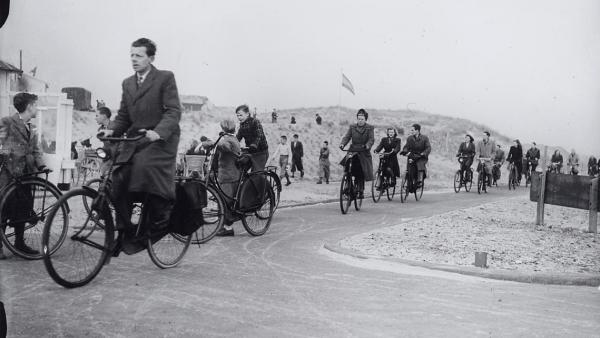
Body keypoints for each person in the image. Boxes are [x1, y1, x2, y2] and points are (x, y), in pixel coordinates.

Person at [99, 38, 181, 251]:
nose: (134, 59)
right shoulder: (127, 83)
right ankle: (124, 230)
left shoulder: (165, 78)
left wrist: (159, 132)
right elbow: (124, 116)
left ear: (151, 58)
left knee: (143, 166)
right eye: (131, 55)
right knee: (117, 176)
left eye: (139, 55)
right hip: (136, 139)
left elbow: (173, 111)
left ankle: (161, 214)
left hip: (161, 139)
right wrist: (112, 129)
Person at [0, 92, 46, 255]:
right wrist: (9, 154)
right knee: (4, 209)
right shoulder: (7, 122)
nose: (37, 108)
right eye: (35, 105)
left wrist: (41, 166)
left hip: (26, 176)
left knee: (23, 209)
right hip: (9, 174)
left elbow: (35, 149)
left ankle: (19, 242)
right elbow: (1, 143)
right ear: (29, 106)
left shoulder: (31, 127)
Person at [339, 109, 375, 199]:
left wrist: (367, 146)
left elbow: (371, 139)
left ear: (365, 119)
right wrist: (343, 144)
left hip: (363, 151)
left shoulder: (369, 128)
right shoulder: (352, 127)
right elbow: (347, 137)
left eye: (362, 119)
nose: (360, 121)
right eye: (358, 119)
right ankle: (347, 185)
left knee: (361, 169)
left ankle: (360, 189)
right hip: (353, 149)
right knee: (347, 166)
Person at [215, 119, 241, 237]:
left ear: (224, 129)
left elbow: (225, 147)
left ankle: (228, 228)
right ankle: (224, 226)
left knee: (226, 201)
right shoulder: (233, 138)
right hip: (232, 174)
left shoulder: (228, 140)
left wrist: (212, 142)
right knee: (226, 201)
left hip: (228, 175)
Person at [236, 104, 269, 172]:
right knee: (240, 170)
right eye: (237, 115)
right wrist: (233, 143)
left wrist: (254, 145)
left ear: (247, 114)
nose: (239, 117)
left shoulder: (255, 121)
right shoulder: (242, 125)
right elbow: (238, 137)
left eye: (241, 115)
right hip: (250, 152)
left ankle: (263, 182)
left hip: (261, 152)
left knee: (256, 174)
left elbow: (258, 135)